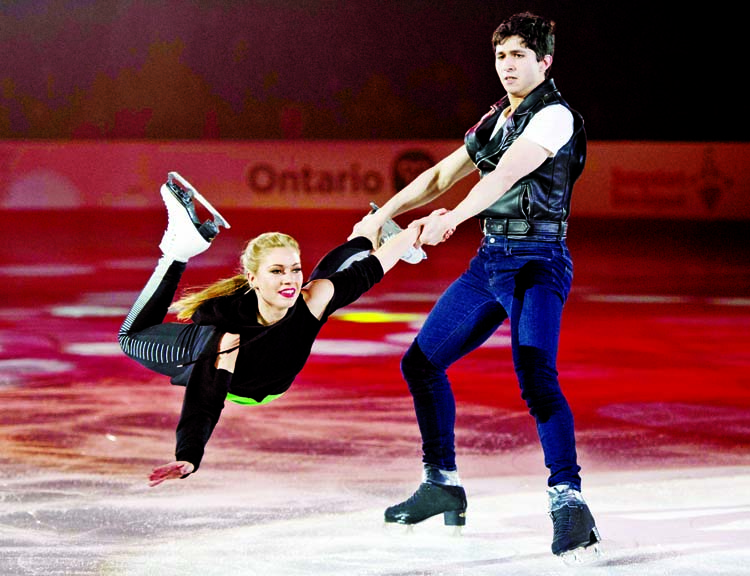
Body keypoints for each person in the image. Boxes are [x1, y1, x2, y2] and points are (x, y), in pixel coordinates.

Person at [350, 12, 600, 560]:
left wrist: (452, 218)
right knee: (420, 362)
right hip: (490, 263)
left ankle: (569, 501)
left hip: (538, 262)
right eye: (501, 56)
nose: (507, 65)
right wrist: (381, 215)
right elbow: (441, 175)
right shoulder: (497, 118)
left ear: (545, 61)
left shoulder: (555, 117)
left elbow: (506, 174)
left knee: (536, 378)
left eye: (519, 56)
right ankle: (441, 482)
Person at [118, 173, 425, 487]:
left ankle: (365, 232)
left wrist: (409, 236)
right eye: (276, 271)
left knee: (319, 288)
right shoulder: (227, 339)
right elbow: (204, 399)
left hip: (273, 364)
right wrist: (189, 454)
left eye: (294, 269)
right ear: (253, 279)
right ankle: (178, 251)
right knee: (129, 339)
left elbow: (368, 271)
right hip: (221, 365)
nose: (289, 279)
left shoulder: (309, 297)